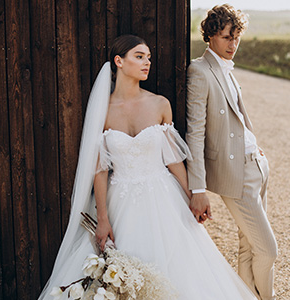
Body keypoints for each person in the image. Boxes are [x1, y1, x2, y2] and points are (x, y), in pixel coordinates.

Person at [39, 34, 256, 300]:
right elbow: (100, 170)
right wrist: (103, 219)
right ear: (119, 61)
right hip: (120, 201)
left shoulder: (159, 104)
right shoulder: (102, 110)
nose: (147, 63)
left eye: (149, 58)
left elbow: (173, 159)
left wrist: (194, 195)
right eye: (139, 57)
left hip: (164, 197)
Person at [186, 4, 278, 300]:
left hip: (256, 166)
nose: (233, 44)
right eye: (227, 37)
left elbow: (239, 112)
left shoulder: (227, 69)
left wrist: (255, 145)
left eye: (236, 37)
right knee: (268, 249)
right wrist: (197, 188)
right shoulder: (200, 71)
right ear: (210, 35)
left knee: (248, 246)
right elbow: (195, 132)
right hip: (234, 173)